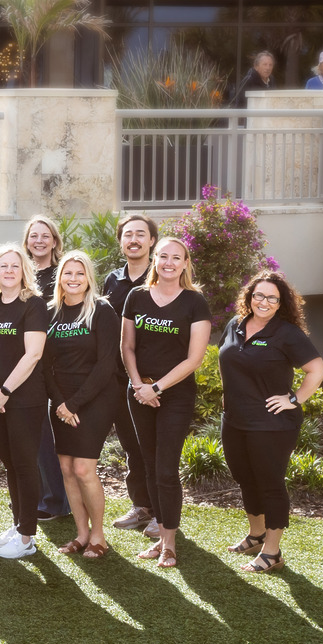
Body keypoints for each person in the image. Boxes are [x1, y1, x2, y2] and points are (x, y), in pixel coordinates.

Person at [218, 272, 323, 574]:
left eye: (272, 298)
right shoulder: (235, 325)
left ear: (281, 304)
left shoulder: (287, 333)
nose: (263, 302)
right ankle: (256, 535)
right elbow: (227, 361)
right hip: (235, 420)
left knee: (270, 483)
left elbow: (317, 370)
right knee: (244, 477)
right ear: (250, 297)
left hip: (272, 424)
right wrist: (227, 395)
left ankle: (272, 551)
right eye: (259, 295)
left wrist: (294, 399)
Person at [121, 237, 213, 570]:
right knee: (148, 464)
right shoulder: (136, 296)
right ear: (154, 260)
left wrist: (156, 387)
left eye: (176, 257)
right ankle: (160, 537)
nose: (169, 263)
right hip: (139, 393)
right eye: (163, 256)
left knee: (165, 469)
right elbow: (127, 347)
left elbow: (194, 359)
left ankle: (170, 544)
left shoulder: (194, 302)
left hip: (174, 395)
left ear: (186, 263)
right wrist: (138, 384)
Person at [0, 244, 49, 561]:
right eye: (2, 265)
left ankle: (27, 537)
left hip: (24, 399)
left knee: (25, 464)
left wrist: (4, 391)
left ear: (24, 271)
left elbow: (34, 354)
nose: (8, 270)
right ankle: (18, 525)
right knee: (10, 464)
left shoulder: (33, 305)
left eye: (14, 265)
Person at [43, 251, 121, 560]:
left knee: (83, 468)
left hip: (95, 398)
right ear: (59, 277)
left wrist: (74, 404)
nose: (73, 279)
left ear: (89, 278)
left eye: (80, 273)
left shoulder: (102, 310)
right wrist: (60, 402)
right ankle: (81, 534)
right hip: (62, 401)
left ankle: (98, 536)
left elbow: (106, 364)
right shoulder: (50, 312)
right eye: (68, 273)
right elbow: (44, 365)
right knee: (66, 468)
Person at [102, 214, 160, 536]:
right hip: (118, 377)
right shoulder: (113, 280)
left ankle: (162, 512)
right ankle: (141, 506)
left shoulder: (163, 276)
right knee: (131, 446)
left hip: (153, 379)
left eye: (140, 234)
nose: (134, 240)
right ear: (121, 241)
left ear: (152, 241)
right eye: (128, 234)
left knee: (154, 448)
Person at [23, 215, 70, 522]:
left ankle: (56, 501)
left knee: (51, 436)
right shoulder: (22, 274)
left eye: (45, 236)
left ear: (54, 241)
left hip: (57, 362)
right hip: (28, 363)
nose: (39, 241)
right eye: (33, 236)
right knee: (34, 435)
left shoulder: (62, 274)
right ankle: (39, 495)